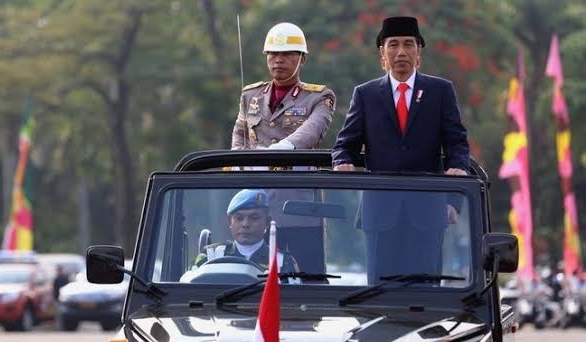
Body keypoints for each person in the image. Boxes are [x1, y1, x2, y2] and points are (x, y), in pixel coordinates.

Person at [331, 16, 471, 283]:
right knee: (380, 294)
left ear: (419, 53)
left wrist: (454, 196)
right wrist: (343, 161)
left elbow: (457, 144)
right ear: (382, 54)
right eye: (393, 45)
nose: (401, 51)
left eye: (409, 44)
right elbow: (344, 145)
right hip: (380, 214)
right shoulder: (366, 94)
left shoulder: (441, 91)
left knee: (426, 291)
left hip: (428, 212)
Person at [231, 22, 335, 272]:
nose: (279, 60)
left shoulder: (319, 97)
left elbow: (312, 131)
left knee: (306, 277)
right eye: (273, 54)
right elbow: (240, 134)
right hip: (254, 208)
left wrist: (282, 149)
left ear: (302, 59)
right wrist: (238, 163)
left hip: (298, 208)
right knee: (247, 276)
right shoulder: (250, 96)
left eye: (288, 54)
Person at [193, 189, 299, 273]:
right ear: (230, 222)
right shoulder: (210, 256)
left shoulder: (282, 261)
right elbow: (189, 290)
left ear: (267, 222)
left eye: (254, 218)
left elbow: (293, 298)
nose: (246, 224)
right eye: (239, 218)